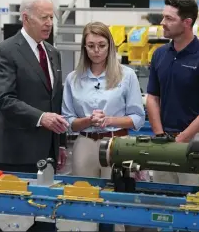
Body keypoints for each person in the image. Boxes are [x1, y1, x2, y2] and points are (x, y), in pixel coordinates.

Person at [0, 0, 68, 231]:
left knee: (45, 220)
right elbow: (5, 99)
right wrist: (41, 118)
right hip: (17, 152)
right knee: (15, 223)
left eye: (51, 18)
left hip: (47, 154)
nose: (49, 23)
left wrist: (60, 142)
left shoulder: (53, 53)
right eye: (44, 18)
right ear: (26, 18)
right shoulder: (6, 50)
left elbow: (56, 100)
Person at [146, 0, 199, 185]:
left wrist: (181, 139)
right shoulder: (159, 55)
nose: (162, 23)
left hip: (195, 143)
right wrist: (159, 136)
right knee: (161, 199)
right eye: (163, 17)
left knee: (194, 202)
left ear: (187, 22)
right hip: (163, 142)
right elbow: (152, 98)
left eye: (169, 19)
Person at [61, 21, 146, 179]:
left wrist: (109, 120)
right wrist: (88, 121)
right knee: (84, 194)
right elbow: (68, 121)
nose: (96, 51)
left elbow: (138, 118)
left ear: (110, 46)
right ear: (84, 48)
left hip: (117, 143)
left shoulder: (127, 76)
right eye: (91, 46)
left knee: (117, 194)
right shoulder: (73, 79)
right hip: (85, 145)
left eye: (102, 45)